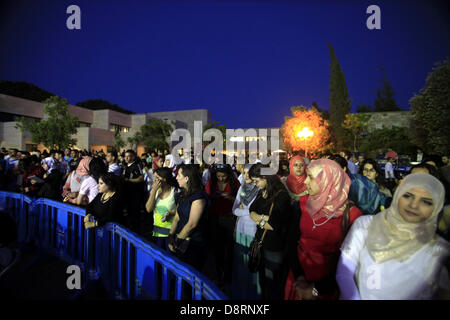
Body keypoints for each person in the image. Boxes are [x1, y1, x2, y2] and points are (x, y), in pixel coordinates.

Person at [337, 173, 450, 299]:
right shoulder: (366, 225)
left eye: (426, 202)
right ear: (397, 196)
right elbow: (345, 271)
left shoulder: (440, 251)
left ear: (437, 207)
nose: (413, 205)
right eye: (407, 196)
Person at [284, 159, 362, 300]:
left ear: (329, 181)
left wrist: (315, 289)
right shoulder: (302, 205)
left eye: (311, 178)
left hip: (327, 287)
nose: (305, 181)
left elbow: (352, 263)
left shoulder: (351, 215)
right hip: (298, 279)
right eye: (307, 176)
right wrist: (299, 277)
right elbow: (291, 241)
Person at [248, 163, 291, 300]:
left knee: (273, 285)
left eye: (257, 181)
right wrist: (263, 219)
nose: (255, 184)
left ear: (266, 177)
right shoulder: (262, 192)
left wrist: (258, 219)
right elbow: (251, 210)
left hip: (274, 247)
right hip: (261, 243)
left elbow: (274, 224)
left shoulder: (281, 196)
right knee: (263, 282)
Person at [205, 163, 240, 293]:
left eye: (224, 176)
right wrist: (214, 197)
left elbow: (240, 199)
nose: (221, 179)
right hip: (215, 218)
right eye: (218, 176)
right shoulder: (211, 182)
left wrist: (230, 198)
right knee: (217, 248)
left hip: (229, 218)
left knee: (229, 249)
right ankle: (219, 275)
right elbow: (206, 197)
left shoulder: (234, 183)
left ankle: (228, 276)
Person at [169, 164, 209, 272]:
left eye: (179, 175)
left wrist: (177, 241)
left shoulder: (199, 197)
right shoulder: (182, 194)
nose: (176, 178)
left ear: (186, 178)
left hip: (194, 244)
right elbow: (177, 216)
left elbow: (192, 224)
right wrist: (171, 235)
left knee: (190, 276)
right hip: (181, 240)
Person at [231, 163, 261, 299]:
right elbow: (234, 210)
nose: (246, 176)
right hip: (240, 230)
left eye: (249, 173)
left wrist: (244, 210)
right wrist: (248, 212)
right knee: (240, 264)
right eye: (244, 173)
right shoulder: (242, 188)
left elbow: (258, 212)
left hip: (253, 231)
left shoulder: (260, 190)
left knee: (252, 264)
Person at [145, 167, 180, 251]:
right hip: (157, 232)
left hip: (171, 233)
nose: (155, 180)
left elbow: (181, 213)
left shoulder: (176, 192)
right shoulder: (155, 191)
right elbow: (148, 209)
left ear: (165, 179)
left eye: (157, 178)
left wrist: (171, 214)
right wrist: (153, 191)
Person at [122, 150, 146, 232]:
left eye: (128, 156)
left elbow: (141, 178)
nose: (126, 158)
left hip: (135, 195)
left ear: (133, 157)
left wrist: (129, 180)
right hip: (127, 194)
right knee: (129, 214)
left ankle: (137, 232)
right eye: (125, 156)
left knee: (135, 214)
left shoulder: (136, 166)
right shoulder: (126, 167)